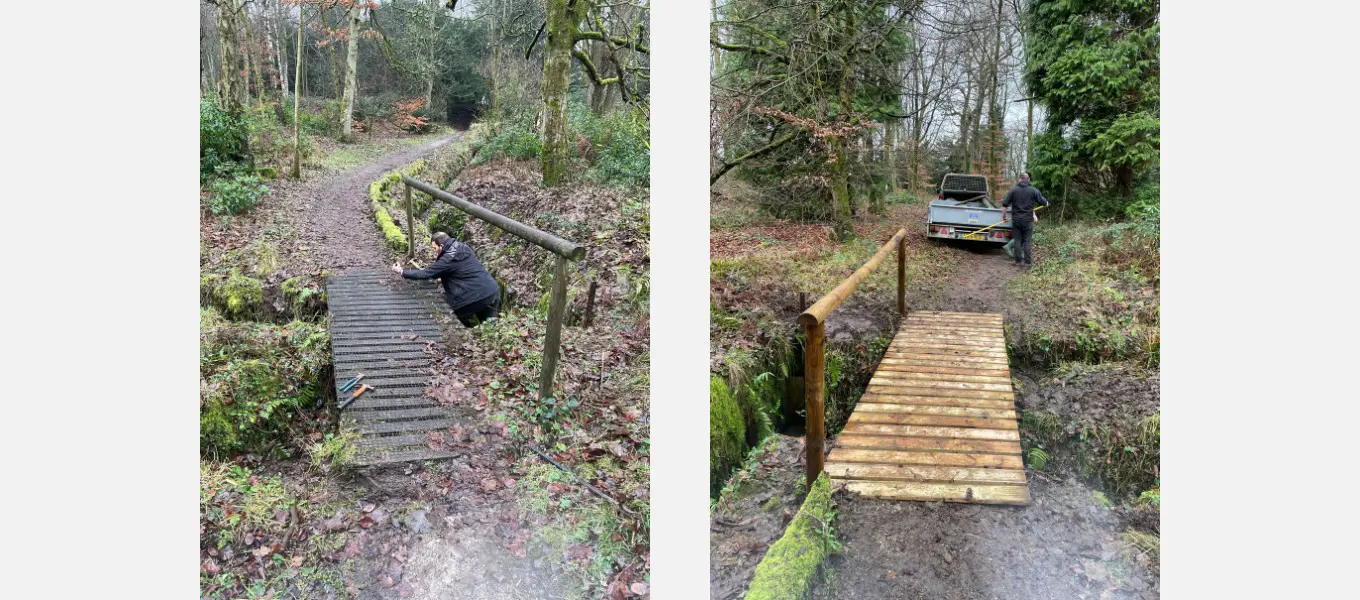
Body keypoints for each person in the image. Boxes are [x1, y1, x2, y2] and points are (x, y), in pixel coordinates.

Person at [391, 232, 501, 327]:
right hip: (491, 291)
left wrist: (402, 271)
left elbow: (425, 273)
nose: (435, 251)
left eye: (435, 248)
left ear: (442, 245)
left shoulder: (446, 260)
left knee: (452, 317)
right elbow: (460, 269)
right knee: (489, 325)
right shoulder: (463, 246)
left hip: (472, 299)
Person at [1001, 172, 1049, 269]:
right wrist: (1046, 203)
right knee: (1027, 241)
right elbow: (1043, 202)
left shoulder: (1013, 190)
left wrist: (1004, 217)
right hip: (1027, 221)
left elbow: (1004, 205)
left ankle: (1018, 261)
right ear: (1028, 180)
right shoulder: (1033, 190)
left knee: (1017, 241)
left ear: (1020, 179)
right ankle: (1028, 264)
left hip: (1016, 220)